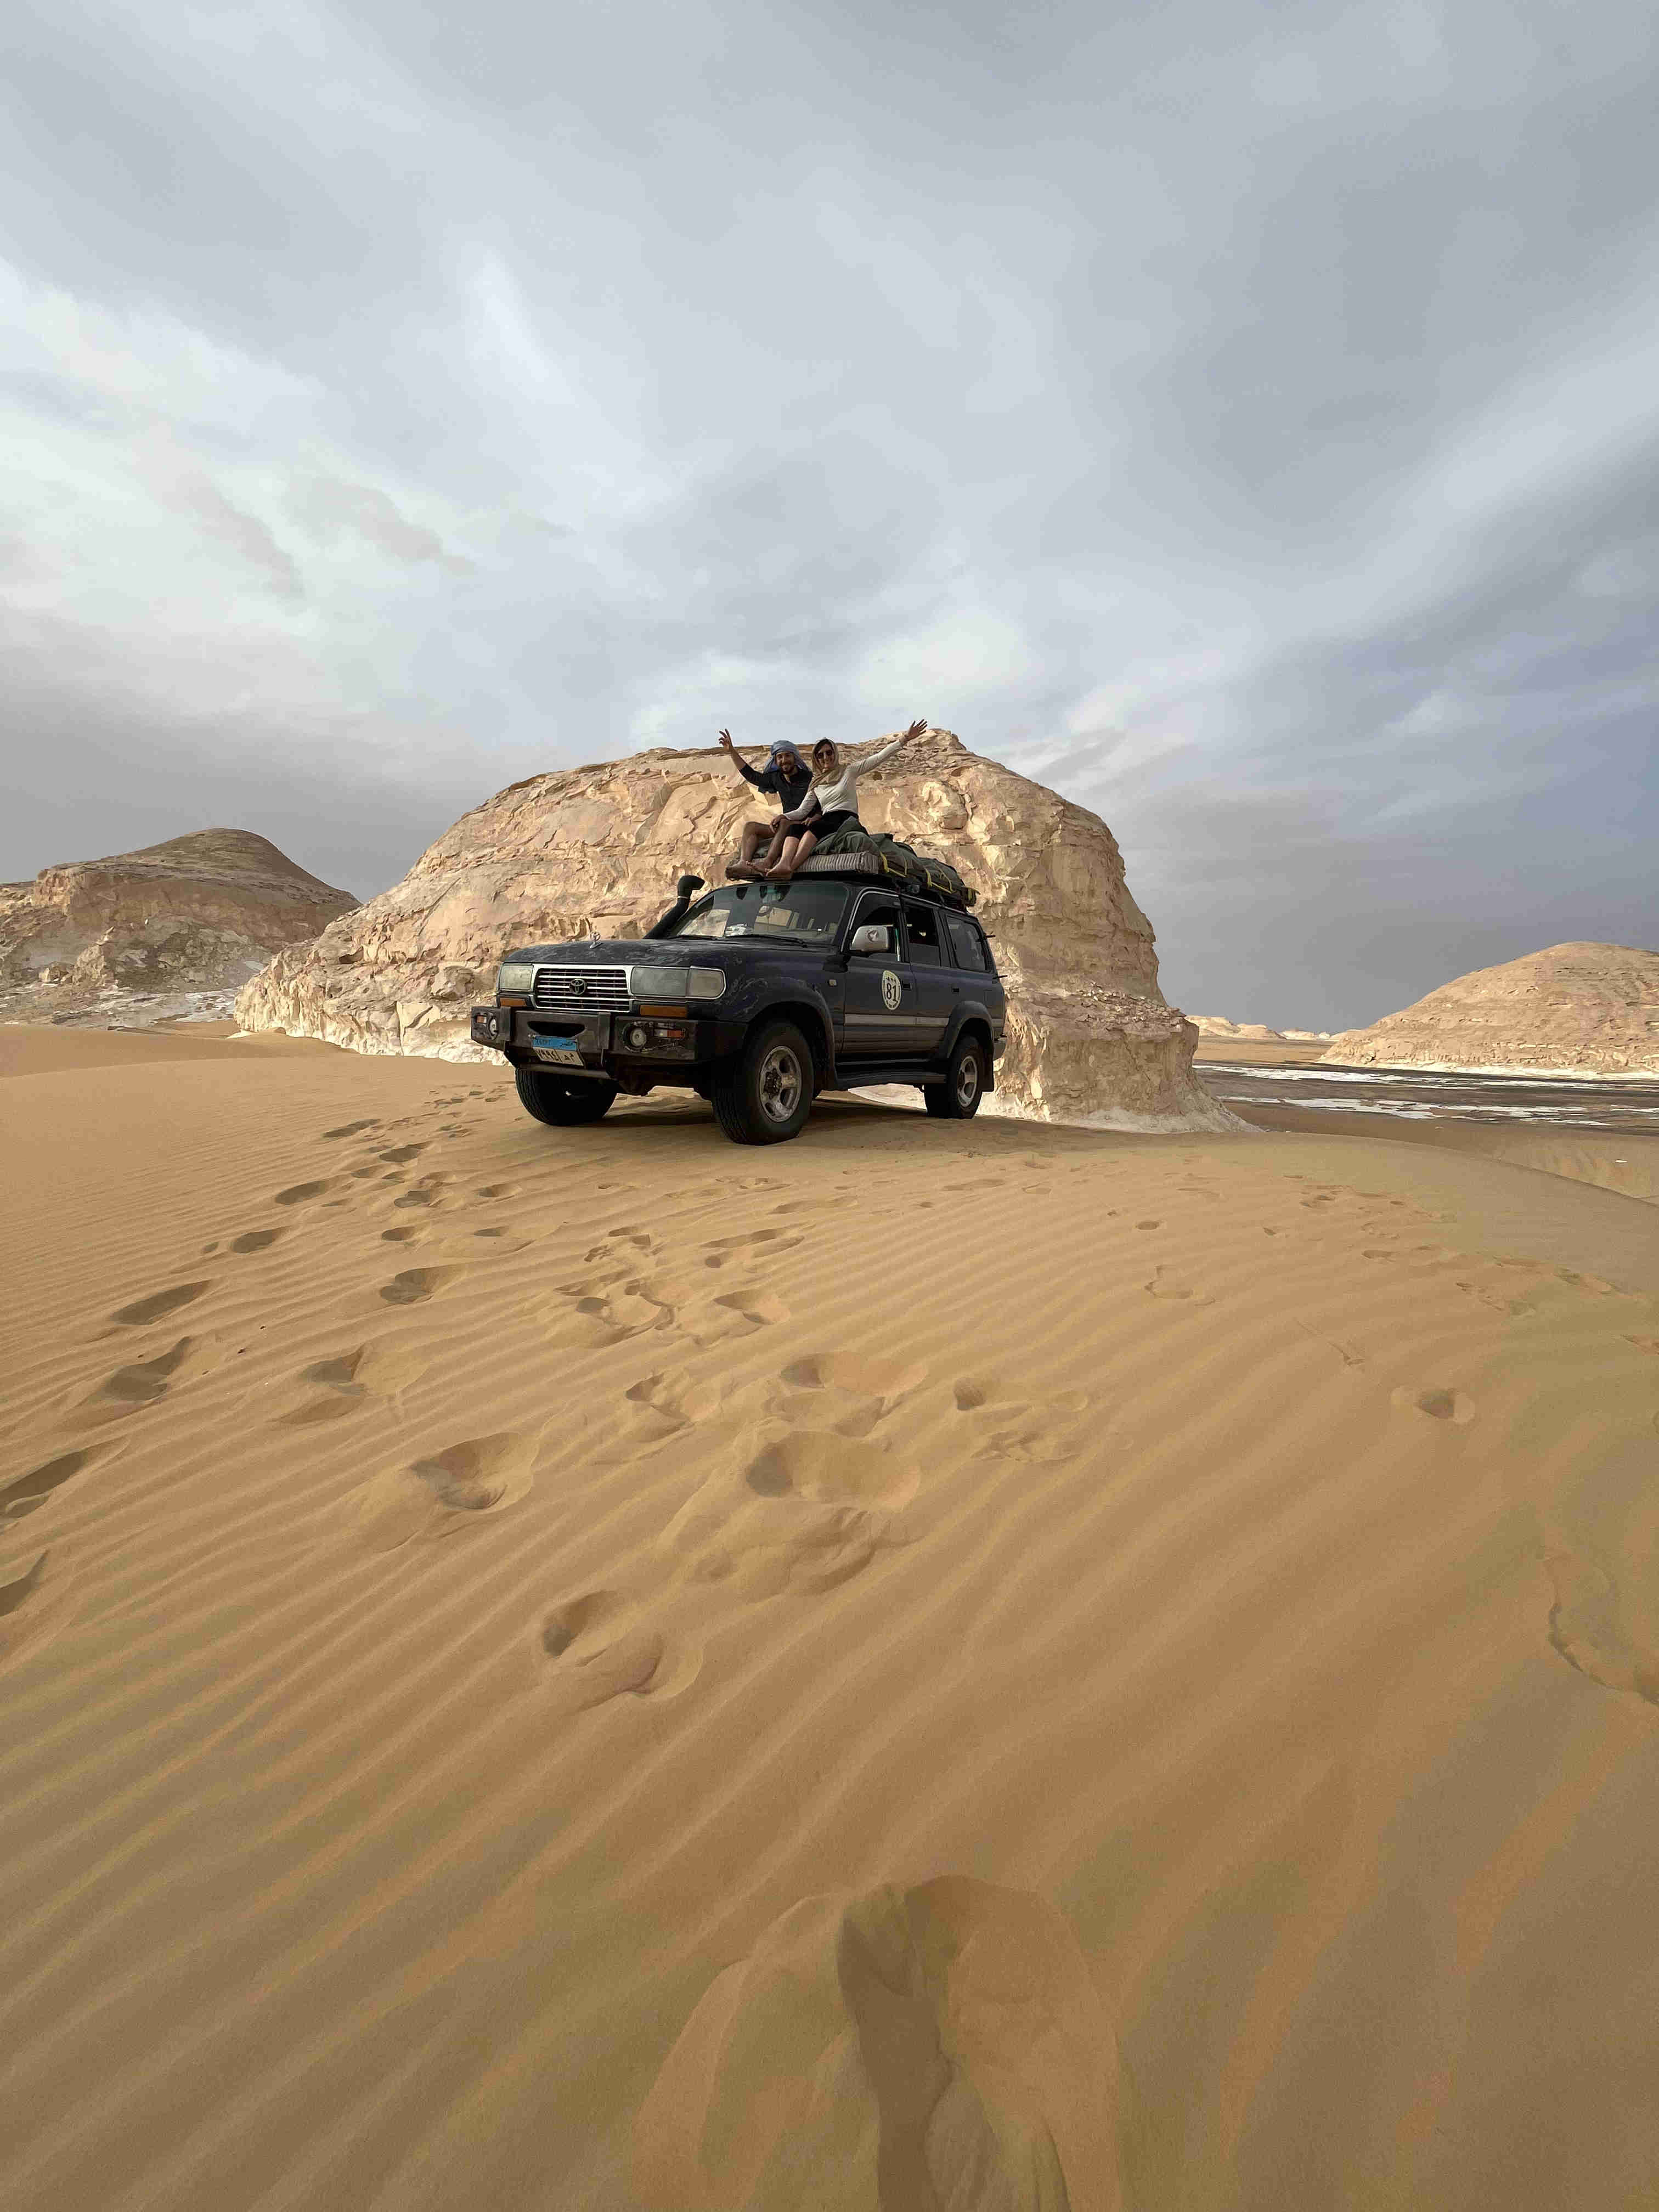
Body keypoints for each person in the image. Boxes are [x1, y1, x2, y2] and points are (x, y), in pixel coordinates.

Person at [763, 720, 928, 879]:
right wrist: (784, 817)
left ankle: (791, 869)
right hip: (828, 818)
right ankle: (783, 864)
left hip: (845, 817)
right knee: (795, 830)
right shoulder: (817, 783)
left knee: (815, 827)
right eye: (820, 755)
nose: (825, 757)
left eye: (829, 753)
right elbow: (802, 811)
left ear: (835, 753)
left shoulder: (848, 771)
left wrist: (905, 738)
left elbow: (878, 758)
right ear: (816, 759)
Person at [716, 730, 815, 878]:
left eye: (787, 756)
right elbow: (752, 775)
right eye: (780, 757)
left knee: (784, 822)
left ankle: (767, 862)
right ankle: (744, 863)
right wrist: (732, 752)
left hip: (804, 825)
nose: (784, 760)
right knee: (751, 827)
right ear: (775, 761)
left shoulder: (809, 778)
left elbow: (822, 800)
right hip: (784, 824)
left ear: (795, 758)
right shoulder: (776, 778)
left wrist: (815, 817)